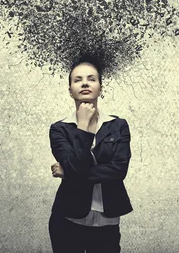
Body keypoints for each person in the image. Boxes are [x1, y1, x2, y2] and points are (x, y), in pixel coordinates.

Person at [48, 56, 133, 253]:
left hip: (107, 222)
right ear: (70, 90)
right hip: (67, 220)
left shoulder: (118, 126)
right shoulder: (59, 129)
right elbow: (77, 166)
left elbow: (118, 170)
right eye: (77, 80)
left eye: (91, 78)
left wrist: (69, 173)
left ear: (100, 88)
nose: (85, 83)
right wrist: (83, 127)